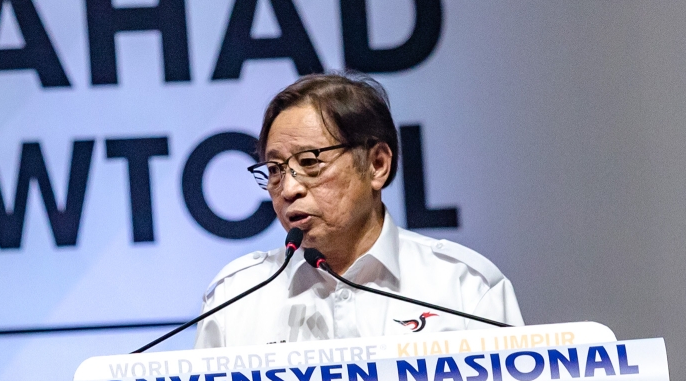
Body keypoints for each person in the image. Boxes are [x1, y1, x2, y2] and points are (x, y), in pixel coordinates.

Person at [194, 72, 523, 349]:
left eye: (310, 162)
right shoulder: (234, 299)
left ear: (377, 165)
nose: (289, 189)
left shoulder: (464, 288)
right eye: (276, 169)